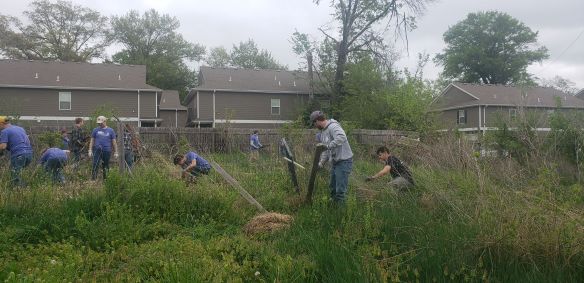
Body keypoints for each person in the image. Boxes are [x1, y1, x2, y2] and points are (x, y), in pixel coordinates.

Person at [310, 110, 353, 203]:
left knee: (340, 192)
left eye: (314, 123)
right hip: (335, 163)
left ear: (317, 121)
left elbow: (342, 137)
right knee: (332, 188)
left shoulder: (333, 126)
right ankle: (333, 210)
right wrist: (321, 163)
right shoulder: (323, 132)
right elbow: (325, 150)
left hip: (343, 162)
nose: (314, 126)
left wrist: (329, 145)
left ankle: (341, 216)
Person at [0, 116, 33, 187]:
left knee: (15, 176)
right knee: (17, 173)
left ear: (1, 124)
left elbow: (3, 146)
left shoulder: (4, 131)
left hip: (19, 154)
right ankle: (25, 188)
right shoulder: (20, 128)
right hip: (29, 154)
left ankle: (19, 191)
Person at [88, 116, 118, 180]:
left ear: (105, 121)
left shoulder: (111, 130)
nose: (100, 124)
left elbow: (114, 142)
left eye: (101, 123)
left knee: (105, 165)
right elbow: (92, 140)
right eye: (99, 123)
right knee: (95, 164)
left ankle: (106, 180)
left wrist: (116, 152)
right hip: (97, 150)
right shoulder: (95, 130)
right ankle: (93, 179)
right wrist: (90, 150)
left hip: (107, 150)